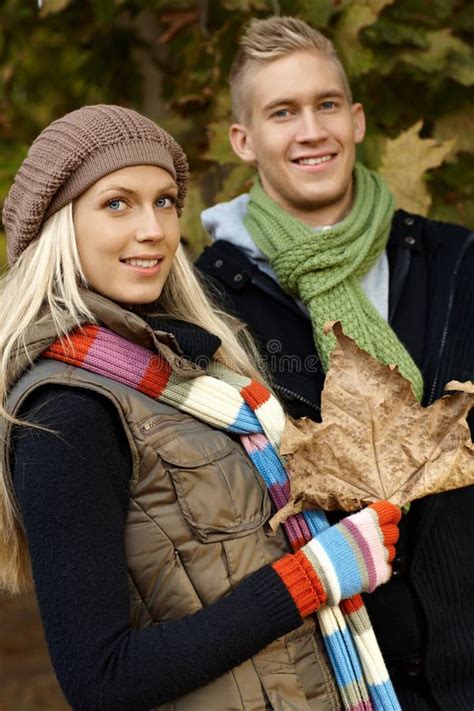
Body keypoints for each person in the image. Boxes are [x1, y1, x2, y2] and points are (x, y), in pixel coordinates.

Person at [0, 105, 401, 711]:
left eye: (164, 201)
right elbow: (101, 681)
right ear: (58, 227)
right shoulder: (67, 413)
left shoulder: (195, 378)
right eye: (116, 203)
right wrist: (312, 577)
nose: (154, 229)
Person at [196, 16, 474, 711]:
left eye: (325, 105)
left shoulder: (458, 262)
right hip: (335, 678)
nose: (310, 130)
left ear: (354, 121)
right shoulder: (207, 308)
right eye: (281, 112)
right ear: (244, 139)